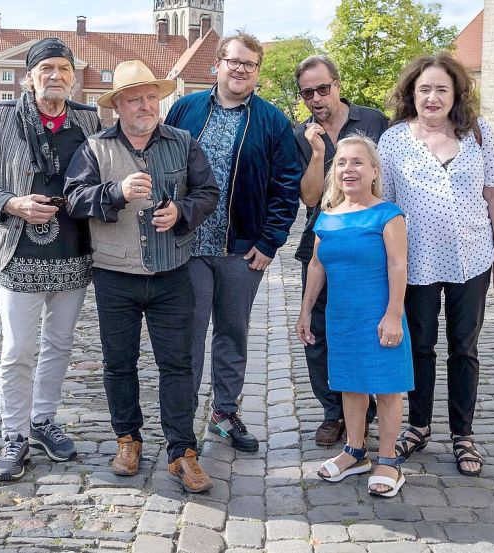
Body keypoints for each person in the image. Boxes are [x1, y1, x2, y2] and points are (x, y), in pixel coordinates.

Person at [65, 60, 220, 493]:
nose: (145, 105)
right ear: (117, 105)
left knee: (177, 364)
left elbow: (208, 192)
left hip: (171, 272)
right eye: (135, 98)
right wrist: (114, 192)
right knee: (120, 364)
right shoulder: (95, 147)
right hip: (115, 275)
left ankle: (182, 451)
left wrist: (182, 212)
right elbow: (74, 199)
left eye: (151, 97)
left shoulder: (183, 142)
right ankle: (127, 439)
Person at [0, 37, 101, 482]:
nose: (56, 76)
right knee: (19, 349)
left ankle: (42, 420)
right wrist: (11, 203)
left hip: (72, 252)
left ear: (73, 76)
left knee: (59, 345)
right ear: (29, 77)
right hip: (18, 251)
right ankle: (14, 434)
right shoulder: (2, 117)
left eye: (64, 68)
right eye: (46, 69)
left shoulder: (87, 119)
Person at [378, 52, 494, 477]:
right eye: (424, 90)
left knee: (464, 348)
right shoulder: (394, 139)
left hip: (471, 257)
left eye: (441, 89)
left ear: (455, 94)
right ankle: (418, 426)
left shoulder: (478, 134)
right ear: (411, 95)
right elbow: (386, 204)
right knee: (418, 347)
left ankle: (463, 435)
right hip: (413, 261)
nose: (432, 97)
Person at [165, 32, 301, 452]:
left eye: (250, 64)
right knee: (188, 336)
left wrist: (270, 240)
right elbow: (161, 165)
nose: (240, 69)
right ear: (218, 65)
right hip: (187, 245)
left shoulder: (272, 120)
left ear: (257, 71)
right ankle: (181, 423)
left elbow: (287, 186)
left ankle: (224, 413)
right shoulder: (185, 109)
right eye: (234, 61)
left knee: (232, 332)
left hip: (242, 250)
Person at [296, 134, 412, 497]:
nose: (349, 169)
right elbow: (316, 266)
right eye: (342, 162)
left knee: (388, 387)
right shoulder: (326, 218)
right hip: (341, 317)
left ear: (374, 171)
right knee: (350, 385)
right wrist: (304, 311)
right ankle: (355, 452)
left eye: (358, 162)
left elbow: (398, 264)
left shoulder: (388, 214)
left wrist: (394, 314)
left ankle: (389, 460)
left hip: (379, 314)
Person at [293, 56, 391, 447]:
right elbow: (310, 196)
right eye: (307, 92)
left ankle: (365, 413)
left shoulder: (373, 122)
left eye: (323, 88)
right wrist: (316, 154)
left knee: (367, 325)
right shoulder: (300, 134)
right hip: (323, 243)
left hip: (371, 244)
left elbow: (389, 178)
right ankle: (333, 412)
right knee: (318, 332)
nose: (317, 98)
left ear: (337, 83)